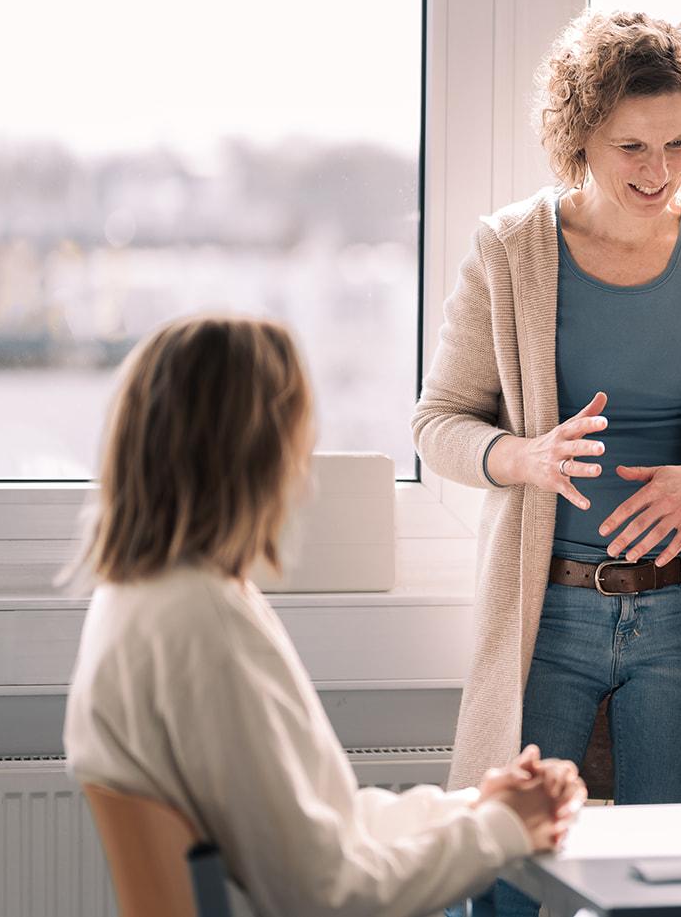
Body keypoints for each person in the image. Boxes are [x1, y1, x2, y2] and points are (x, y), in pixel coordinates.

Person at [413, 10, 681, 913]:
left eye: (678, 142)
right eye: (632, 145)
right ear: (578, 136)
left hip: (679, 613)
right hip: (546, 610)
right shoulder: (511, 250)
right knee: (504, 875)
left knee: (673, 879)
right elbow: (439, 422)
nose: (658, 170)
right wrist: (525, 456)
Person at [63, 315, 584, 917]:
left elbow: (315, 821)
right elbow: (325, 891)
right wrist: (500, 830)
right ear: (258, 450)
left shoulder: (143, 601)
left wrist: (473, 806)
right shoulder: (203, 626)